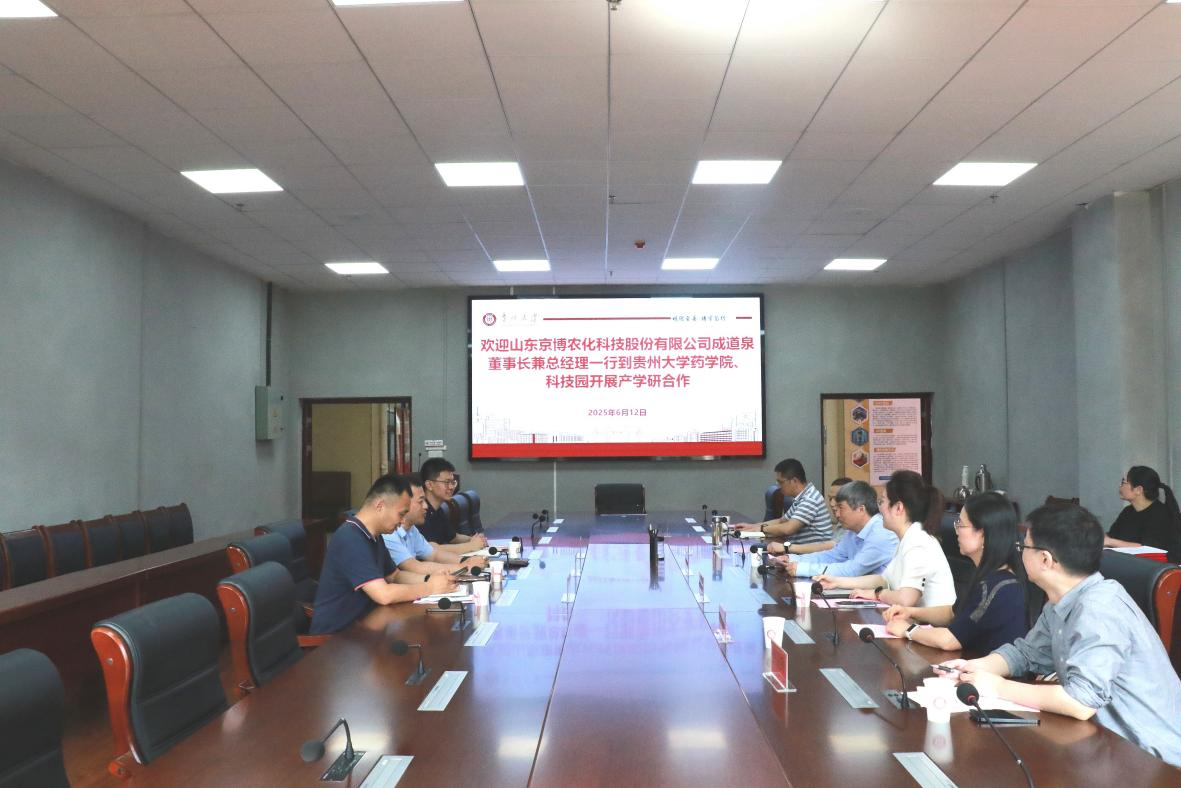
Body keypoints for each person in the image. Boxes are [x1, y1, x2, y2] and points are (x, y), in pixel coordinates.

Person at [939, 505, 1181, 767]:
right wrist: (972, 669)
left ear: (1045, 559)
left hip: (1152, 758)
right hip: (1105, 742)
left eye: (1024, 547)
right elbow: (1026, 653)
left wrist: (996, 686)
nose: (1019, 553)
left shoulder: (1099, 608)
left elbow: (1080, 701)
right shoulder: (1062, 600)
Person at [310, 474, 456, 635]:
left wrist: (432, 579)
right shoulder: (350, 538)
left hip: (368, 625)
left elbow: (394, 576)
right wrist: (430, 587)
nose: (402, 521)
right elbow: (383, 594)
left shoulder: (375, 535)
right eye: (401, 514)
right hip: (338, 637)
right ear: (380, 506)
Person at [883, 491, 1027, 653]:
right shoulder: (987, 574)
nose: (956, 530)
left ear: (982, 534)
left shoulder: (998, 586)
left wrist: (908, 630)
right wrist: (910, 612)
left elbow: (950, 640)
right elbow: (952, 613)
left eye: (961, 524)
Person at [815, 469, 955, 608]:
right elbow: (884, 580)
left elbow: (906, 599)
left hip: (927, 621)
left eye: (881, 502)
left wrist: (877, 594)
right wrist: (837, 581)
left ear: (898, 508)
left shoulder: (918, 541)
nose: (878, 508)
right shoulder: (907, 537)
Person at [773, 481, 897, 577]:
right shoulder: (853, 532)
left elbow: (853, 570)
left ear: (861, 509)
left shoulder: (881, 533)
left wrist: (803, 569)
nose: (837, 514)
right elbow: (832, 556)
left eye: (841, 508)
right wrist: (793, 559)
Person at [384, 475, 488, 578]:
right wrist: (464, 567)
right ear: (404, 503)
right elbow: (414, 567)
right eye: (420, 501)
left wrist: (466, 561)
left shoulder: (411, 528)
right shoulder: (389, 534)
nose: (426, 506)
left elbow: (434, 555)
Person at [733, 459, 834, 549]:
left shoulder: (810, 499)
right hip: (795, 550)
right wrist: (751, 527)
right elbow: (782, 521)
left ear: (794, 481)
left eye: (781, 482)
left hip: (811, 555)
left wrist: (760, 529)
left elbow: (788, 528)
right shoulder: (802, 497)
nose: (778, 486)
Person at [1105, 465, 1181, 563]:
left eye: (1124, 482)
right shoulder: (1127, 511)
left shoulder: (1161, 515)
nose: (1120, 486)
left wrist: (1111, 542)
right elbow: (1112, 536)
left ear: (1138, 490)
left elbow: (1148, 549)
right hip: (1126, 563)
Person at [419, 457, 486, 551]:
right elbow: (431, 549)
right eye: (446, 482)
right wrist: (471, 546)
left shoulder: (438, 510)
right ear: (429, 485)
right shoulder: (421, 512)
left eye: (453, 482)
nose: (451, 487)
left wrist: (474, 539)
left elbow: (453, 537)